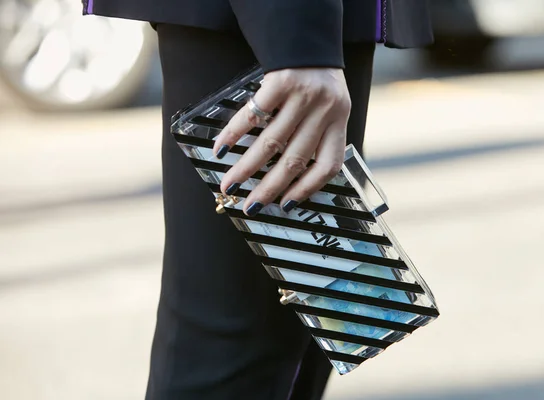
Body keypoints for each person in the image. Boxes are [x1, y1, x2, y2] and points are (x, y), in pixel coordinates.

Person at [83, 1, 433, 399]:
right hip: (269, 29)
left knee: (305, 332)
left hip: (310, 30)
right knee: (234, 358)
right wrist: (297, 42)